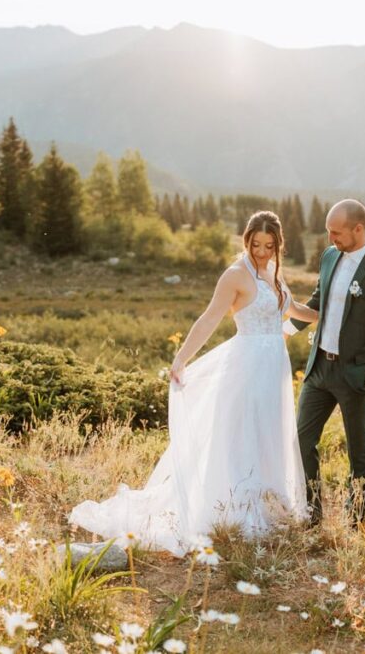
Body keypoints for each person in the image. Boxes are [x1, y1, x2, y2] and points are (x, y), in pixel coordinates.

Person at [69, 211, 318, 556]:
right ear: (246, 240)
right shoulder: (234, 276)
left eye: (269, 245)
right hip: (246, 366)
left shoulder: (274, 274)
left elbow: (292, 309)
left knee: (269, 433)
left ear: (278, 245)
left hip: (273, 368)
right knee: (240, 434)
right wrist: (181, 358)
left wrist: (325, 316)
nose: (261, 251)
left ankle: (269, 503)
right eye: (256, 244)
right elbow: (209, 318)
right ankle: (234, 509)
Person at [288, 199, 365, 526]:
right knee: (301, 440)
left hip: (355, 375)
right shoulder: (329, 257)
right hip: (319, 370)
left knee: (358, 451)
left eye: (336, 232)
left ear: (359, 229)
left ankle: (355, 518)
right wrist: (285, 330)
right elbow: (318, 302)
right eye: (328, 231)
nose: (330, 239)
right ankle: (312, 513)